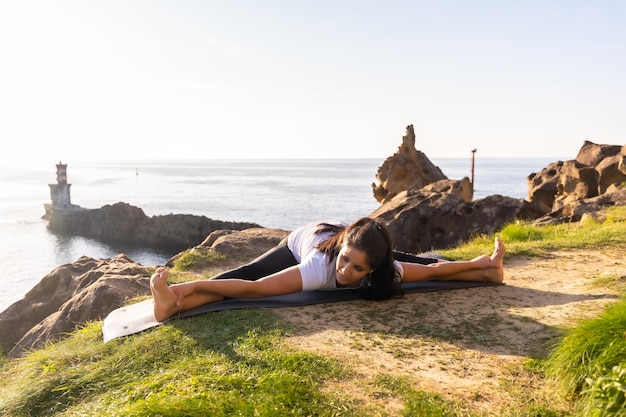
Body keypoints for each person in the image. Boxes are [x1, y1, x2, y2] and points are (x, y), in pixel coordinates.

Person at [150, 217, 505, 322]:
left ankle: (488, 268)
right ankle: (175, 300)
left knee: (424, 264)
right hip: (305, 239)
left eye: (356, 268)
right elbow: (254, 290)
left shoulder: (384, 270)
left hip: (352, 235)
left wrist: (482, 267)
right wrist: (188, 287)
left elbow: (434, 274)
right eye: (346, 261)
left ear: (372, 269)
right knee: (249, 273)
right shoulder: (320, 266)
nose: (345, 271)